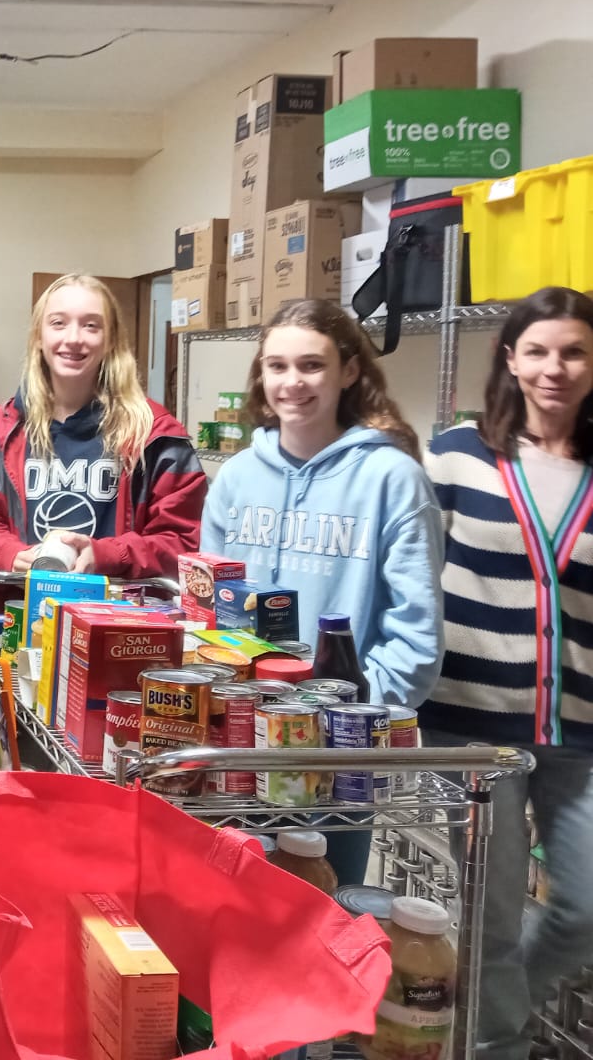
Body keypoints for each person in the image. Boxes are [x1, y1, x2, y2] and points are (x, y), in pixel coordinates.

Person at [201, 297, 443, 887]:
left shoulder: (392, 479)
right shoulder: (236, 478)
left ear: (350, 371)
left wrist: (346, 718)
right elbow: (206, 607)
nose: (292, 383)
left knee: (326, 914)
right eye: (276, 366)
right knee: (228, 907)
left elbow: (416, 635)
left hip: (338, 751)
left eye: (311, 365)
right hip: (241, 740)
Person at [422, 286, 593, 1060]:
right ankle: (498, 1047)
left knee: (585, 904)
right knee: (487, 914)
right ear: (510, 358)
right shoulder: (460, 453)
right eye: (538, 350)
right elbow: (415, 572)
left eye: (573, 351)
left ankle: (496, 1011)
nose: (553, 368)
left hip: (581, 728)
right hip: (469, 722)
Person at [0, 273, 205, 576]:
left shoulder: (155, 435)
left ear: (111, 340)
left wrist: (109, 555)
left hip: (118, 615)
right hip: (23, 611)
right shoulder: (8, 432)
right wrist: (9, 554)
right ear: (38, 336)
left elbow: (183, 541)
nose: (73, 338)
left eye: (91, 325)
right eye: (58, 323)